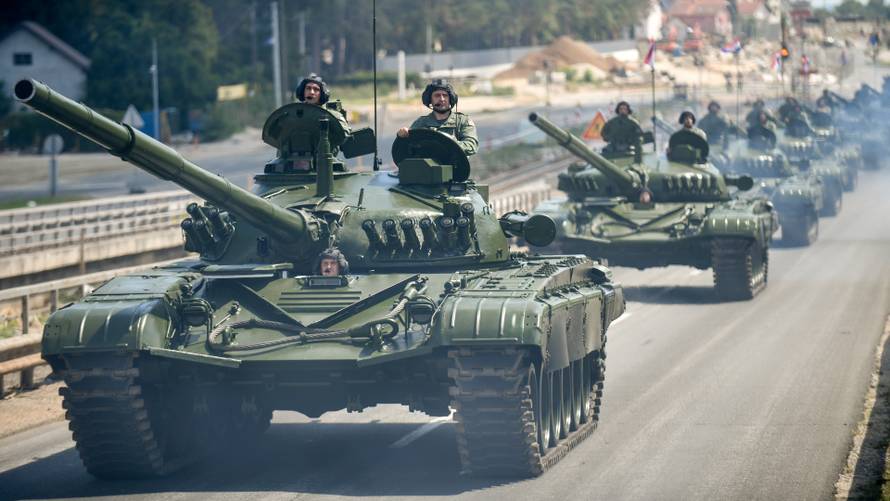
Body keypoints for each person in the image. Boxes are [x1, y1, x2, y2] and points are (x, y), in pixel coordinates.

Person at [397, 79, 478, 156]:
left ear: (451, 99)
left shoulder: (462, 121)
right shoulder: (421, 123)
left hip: (455, 168)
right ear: (430, 100)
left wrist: (449, 142)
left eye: (445, 95)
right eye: (437, 96)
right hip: (427, 169)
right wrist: (402, 137)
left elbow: (472, 146)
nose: (442, 99)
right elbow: (407, 148)